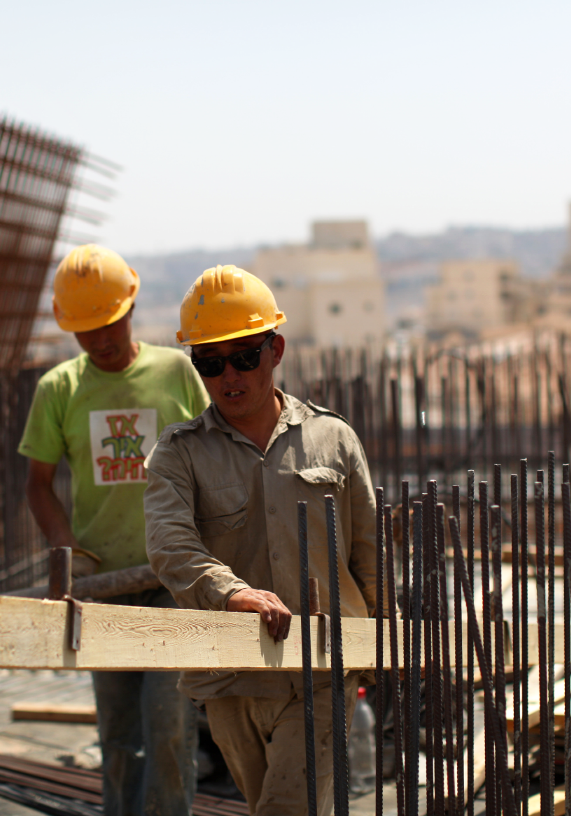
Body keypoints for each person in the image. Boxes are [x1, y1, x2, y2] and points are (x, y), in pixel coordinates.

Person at [144, 264, 381, 816]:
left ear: (275, 350)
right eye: (210, 362)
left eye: (244, 357)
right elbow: (169, 544)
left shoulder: (333, 438)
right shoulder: (179, 453)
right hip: (231, 675)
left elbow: (369, 549)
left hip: (324, 668)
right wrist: (231, 593)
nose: (230, 375)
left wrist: (376, 649)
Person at [18, 244, 209, 816]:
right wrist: (66, 552)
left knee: (170, 726)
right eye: (84, 330)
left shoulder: (175, 372)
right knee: (120, 735)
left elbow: (214, 458)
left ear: (130, 307)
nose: (99, 339)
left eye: (108, 323)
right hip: (101, 587)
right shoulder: (60, 389)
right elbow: (38, 484)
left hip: (171, 580)